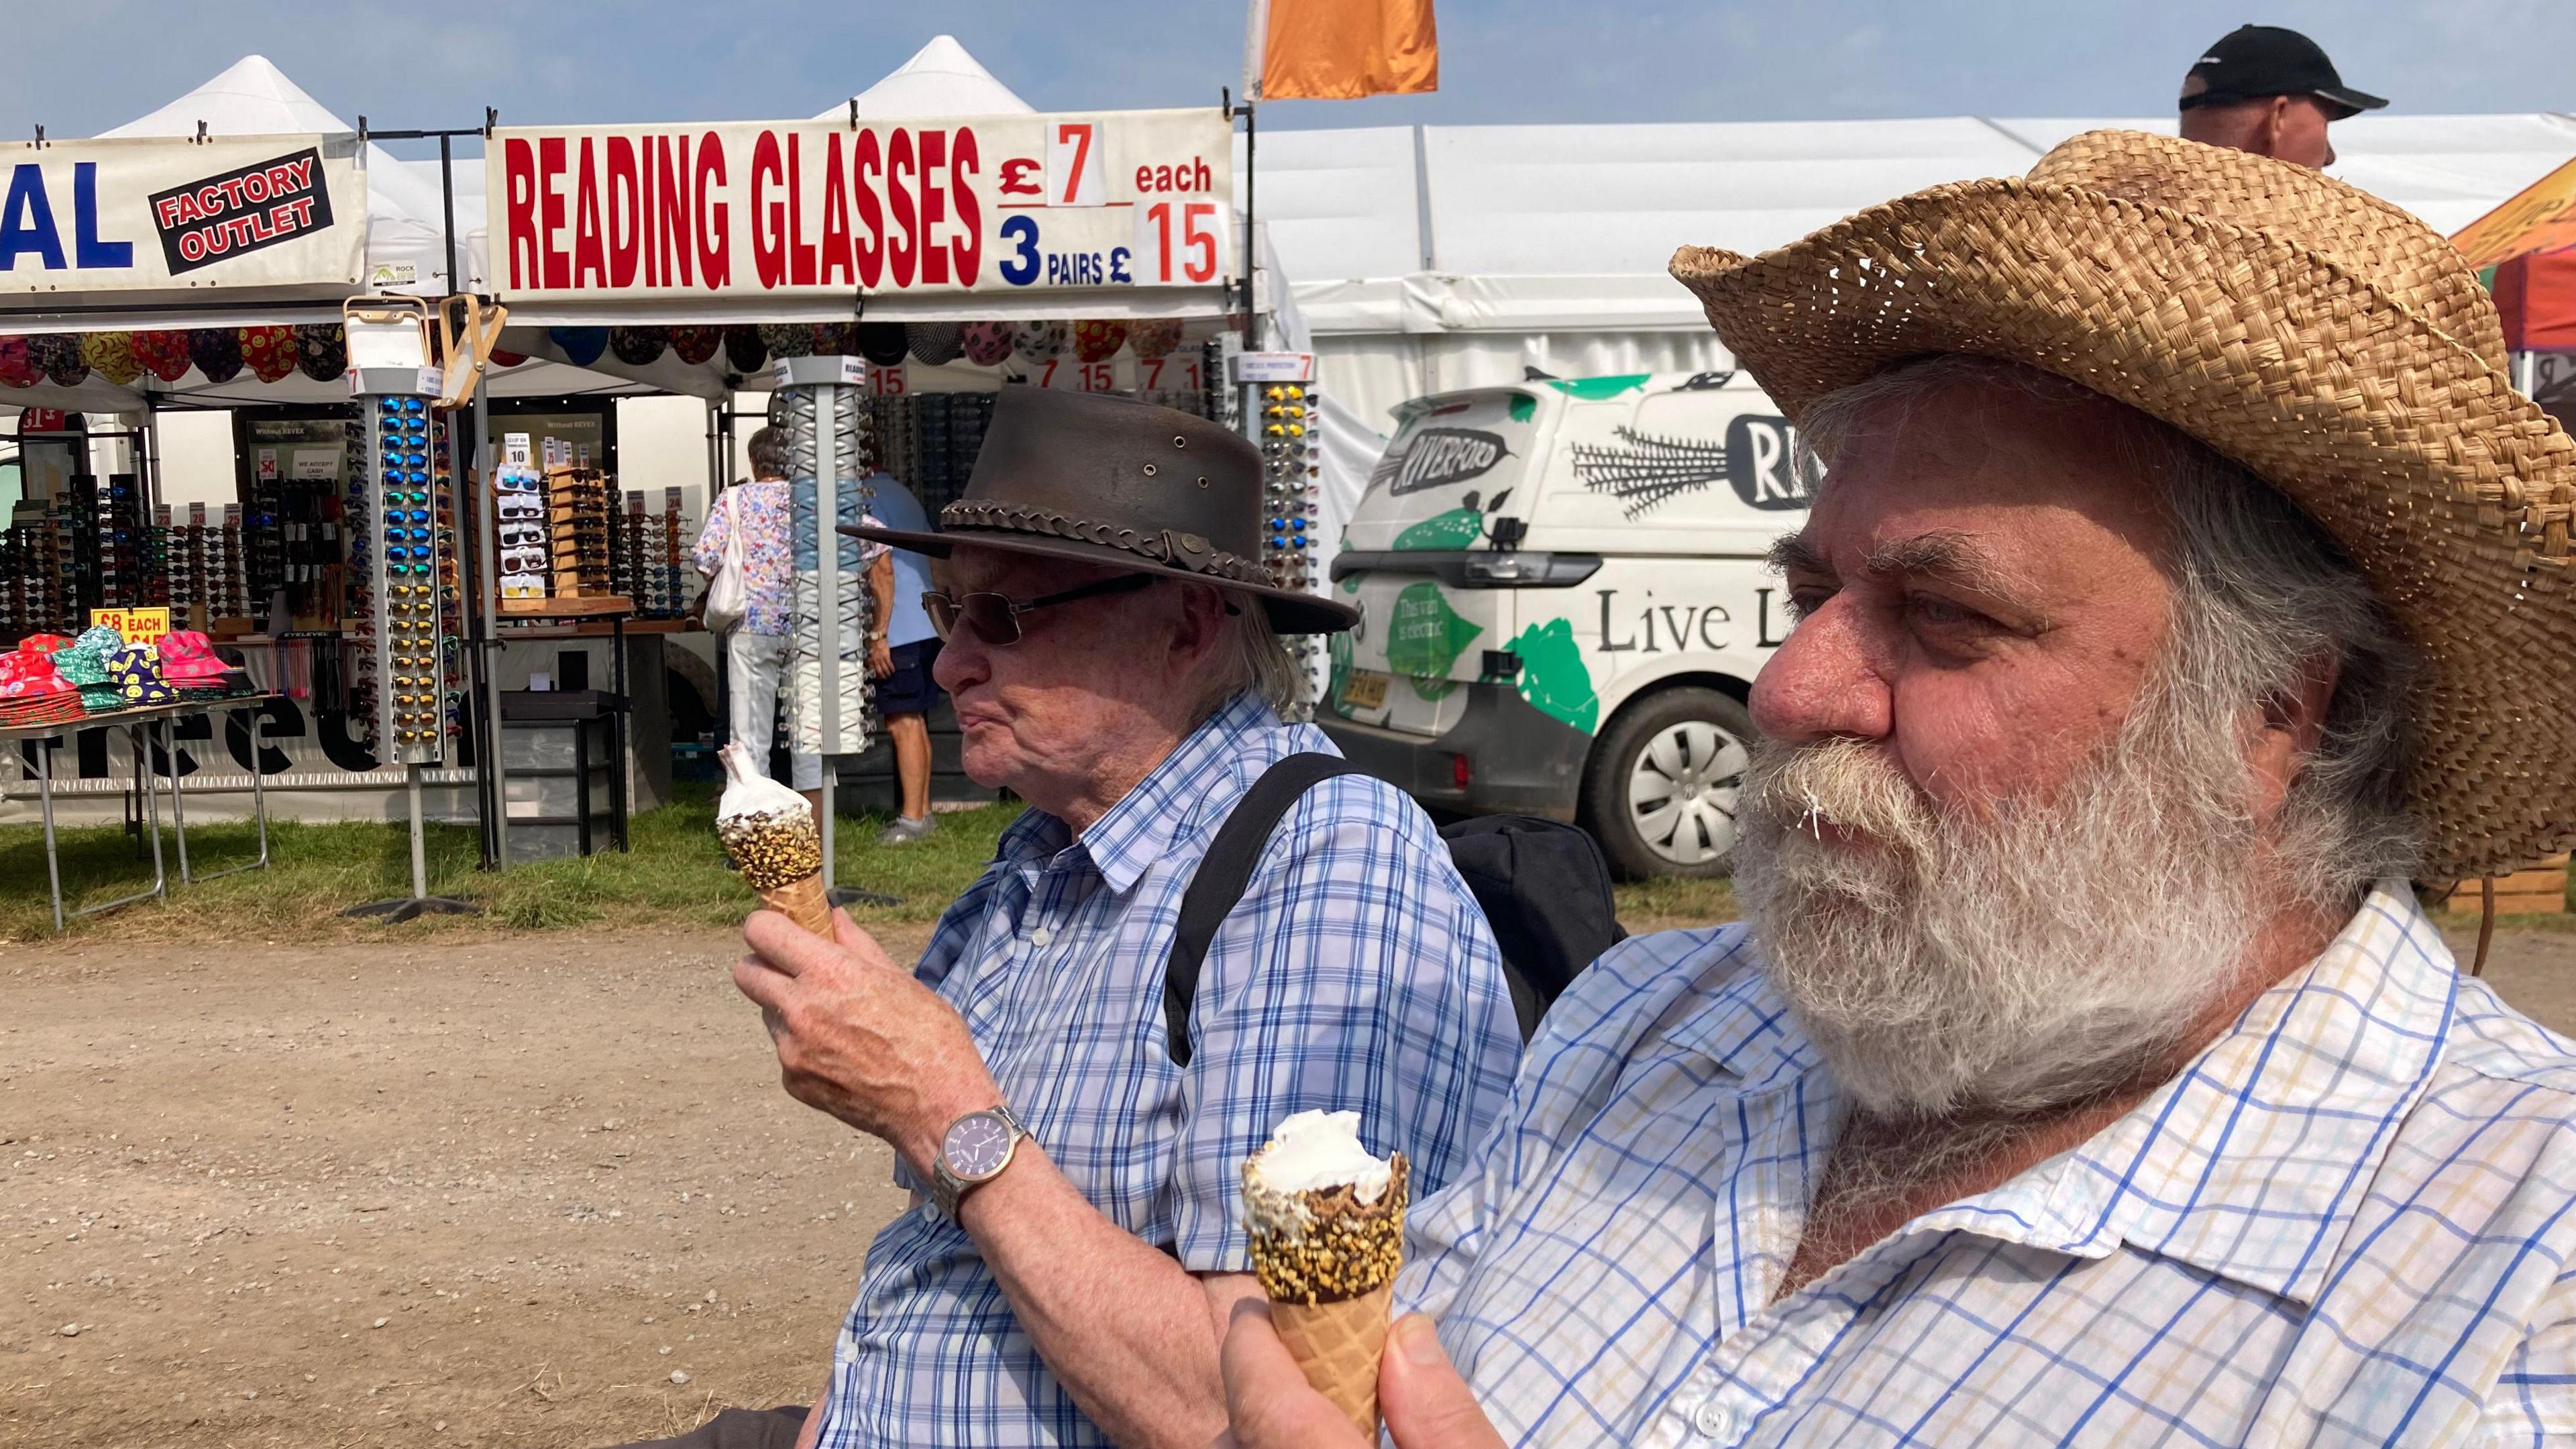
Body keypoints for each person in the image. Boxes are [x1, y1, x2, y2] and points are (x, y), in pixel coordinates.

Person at [1221, 131, 2576, 1446]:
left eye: (1944, 615)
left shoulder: (2518, 1288)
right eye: (1812, 592)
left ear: (2279, 709)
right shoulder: (1644, 1023)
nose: (1788, 693)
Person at [633, 386, 1523, 1449]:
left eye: (1003, 616)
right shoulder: (1042, 856)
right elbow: (945, 1256)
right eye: (955, 609)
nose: (955, 659)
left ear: (1186, 623)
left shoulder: (1327, 865)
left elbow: (1248, 1410)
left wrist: (939, 1109)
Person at [692, 427, 896, 818]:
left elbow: (705, 563)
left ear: (753, 463)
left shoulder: (734, 500)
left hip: (752, 629)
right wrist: (878, 631)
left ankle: (760, 838)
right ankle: (816, 841)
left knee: (749, 741)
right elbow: (881, 554)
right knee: (812, 741)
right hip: (812, 634)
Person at [857, 469, 943, 845]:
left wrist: (879, 634)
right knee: (916, 720)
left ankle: (911, 820)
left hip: (900, 628)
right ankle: (922, 812)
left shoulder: (867, 497)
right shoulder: (901, 493)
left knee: (901, 722)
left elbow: (883, 567)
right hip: (924, 619)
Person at [2176, 23, 2385, 169]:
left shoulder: (2147, 214)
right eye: (2324, 126)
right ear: (2278, 119)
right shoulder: (2344, 230)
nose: (2330, 158)